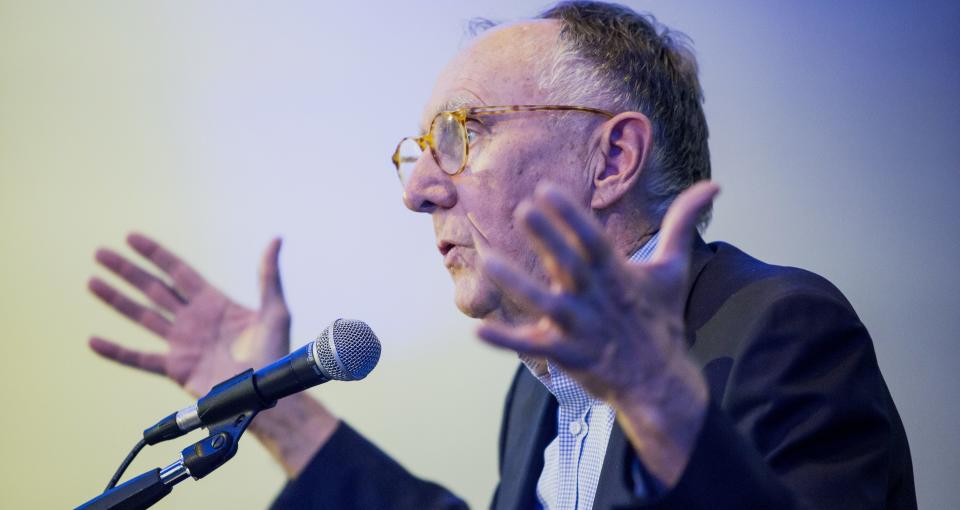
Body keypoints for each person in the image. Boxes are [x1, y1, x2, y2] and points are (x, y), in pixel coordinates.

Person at [87, 2, 915, 509]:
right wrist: (278, 407)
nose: (417, 191)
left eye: (460, 134)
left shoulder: (778, 331)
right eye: (418, 150)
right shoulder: (539, 395)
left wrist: (662, 408)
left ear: (612, 160)